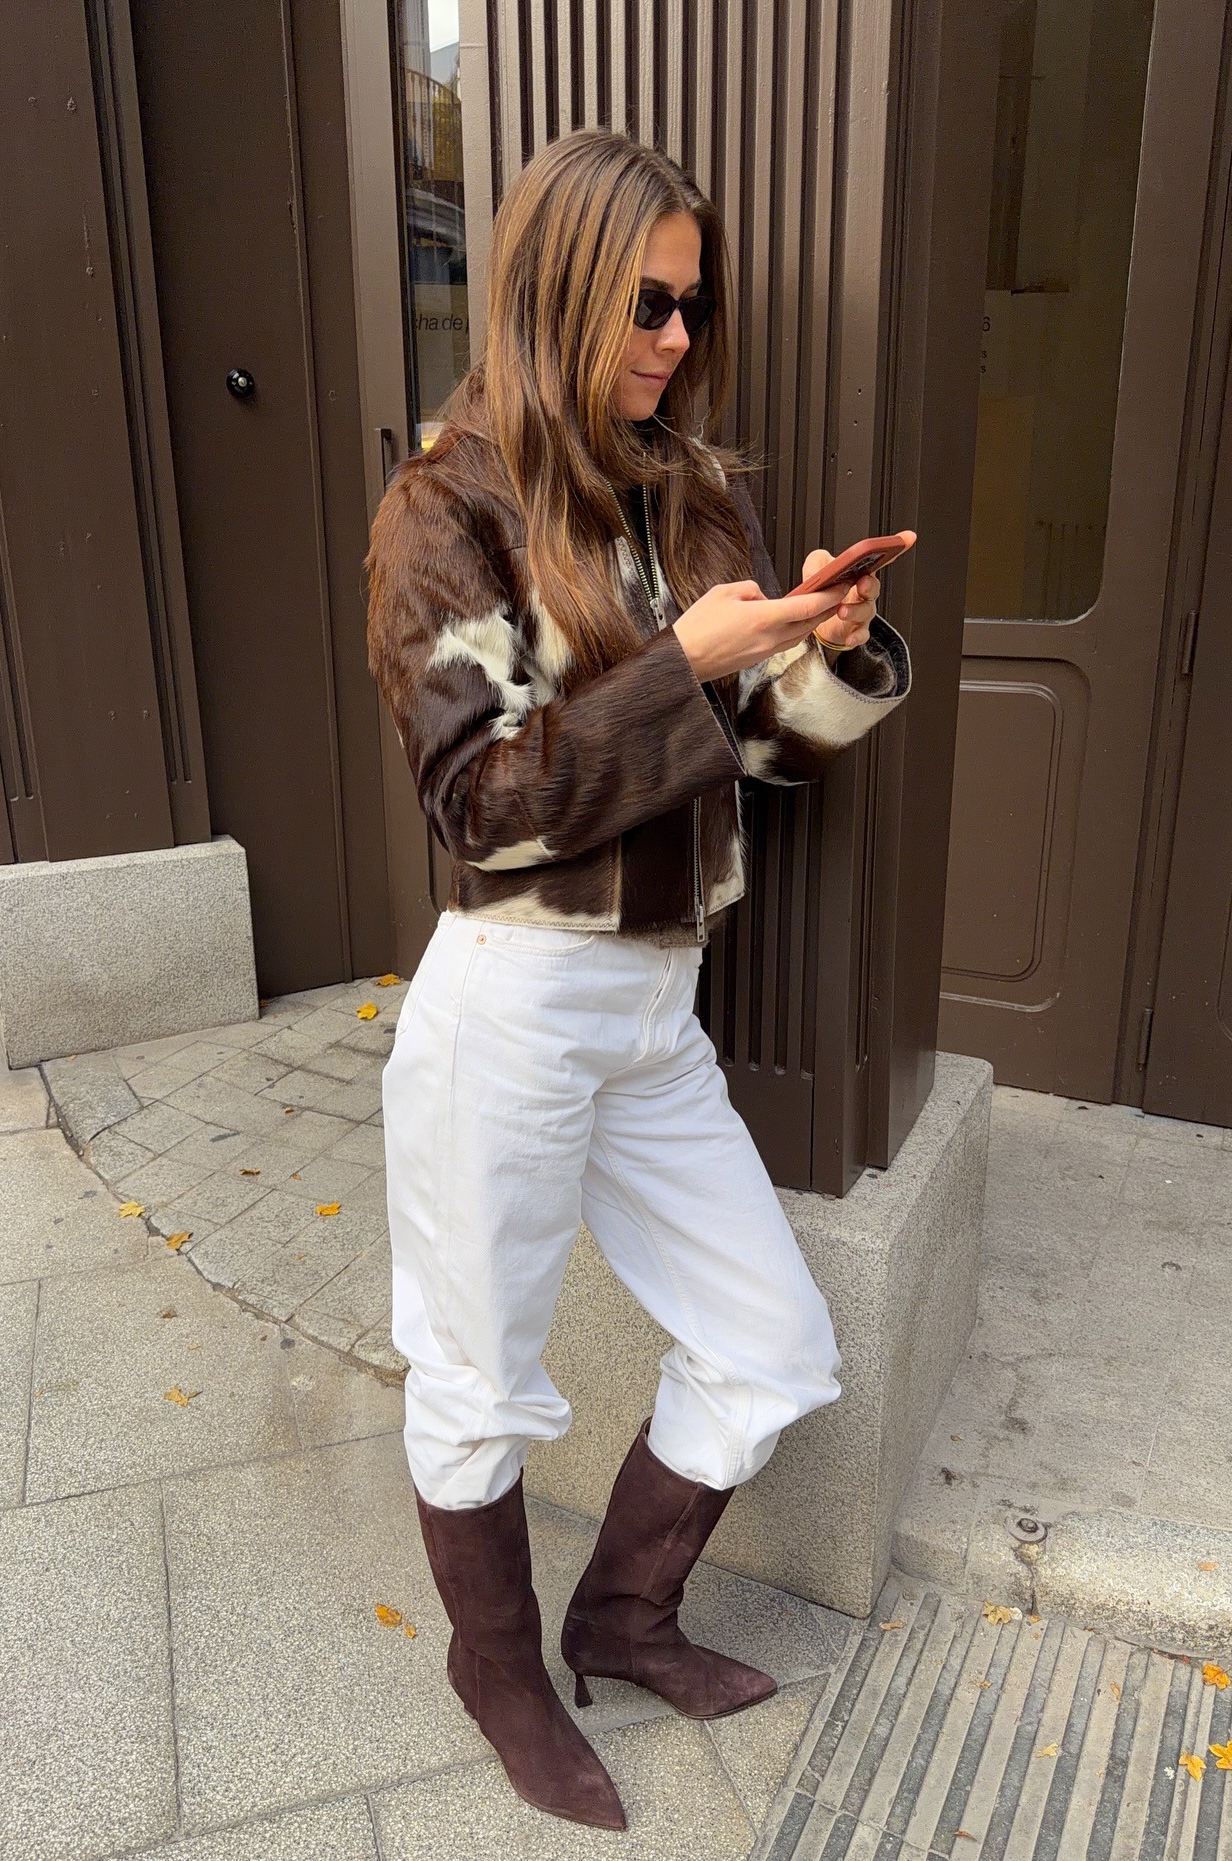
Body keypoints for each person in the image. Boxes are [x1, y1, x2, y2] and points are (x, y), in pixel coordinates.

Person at [365, 128, 911, 1832]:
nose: (678, 335)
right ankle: (500, 1662)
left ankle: (620, 1612)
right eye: (646, 300)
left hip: (655, 1009)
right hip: (515, 1002)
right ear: (557, 288)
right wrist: (684, 662)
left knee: (767, 1339)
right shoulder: (442, 508)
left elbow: (750, 755)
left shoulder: (690, 491)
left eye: (695, 300)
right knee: (477, 1372)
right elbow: (485, 801)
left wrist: (823, 658)